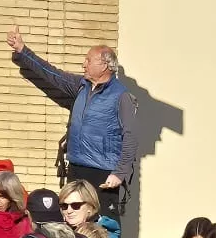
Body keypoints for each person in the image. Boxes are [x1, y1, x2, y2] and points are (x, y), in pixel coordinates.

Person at [7, 27, 137, 219]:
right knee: (72, 221)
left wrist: (120, 172)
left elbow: (131, 136)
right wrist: (22, 50)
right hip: (76, 168)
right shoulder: (80, 85)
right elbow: (51, 74)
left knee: (101, 226)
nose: (83, 64)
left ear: (104, 65)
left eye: (88, 60)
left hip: (103, 174)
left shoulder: (121, 95)